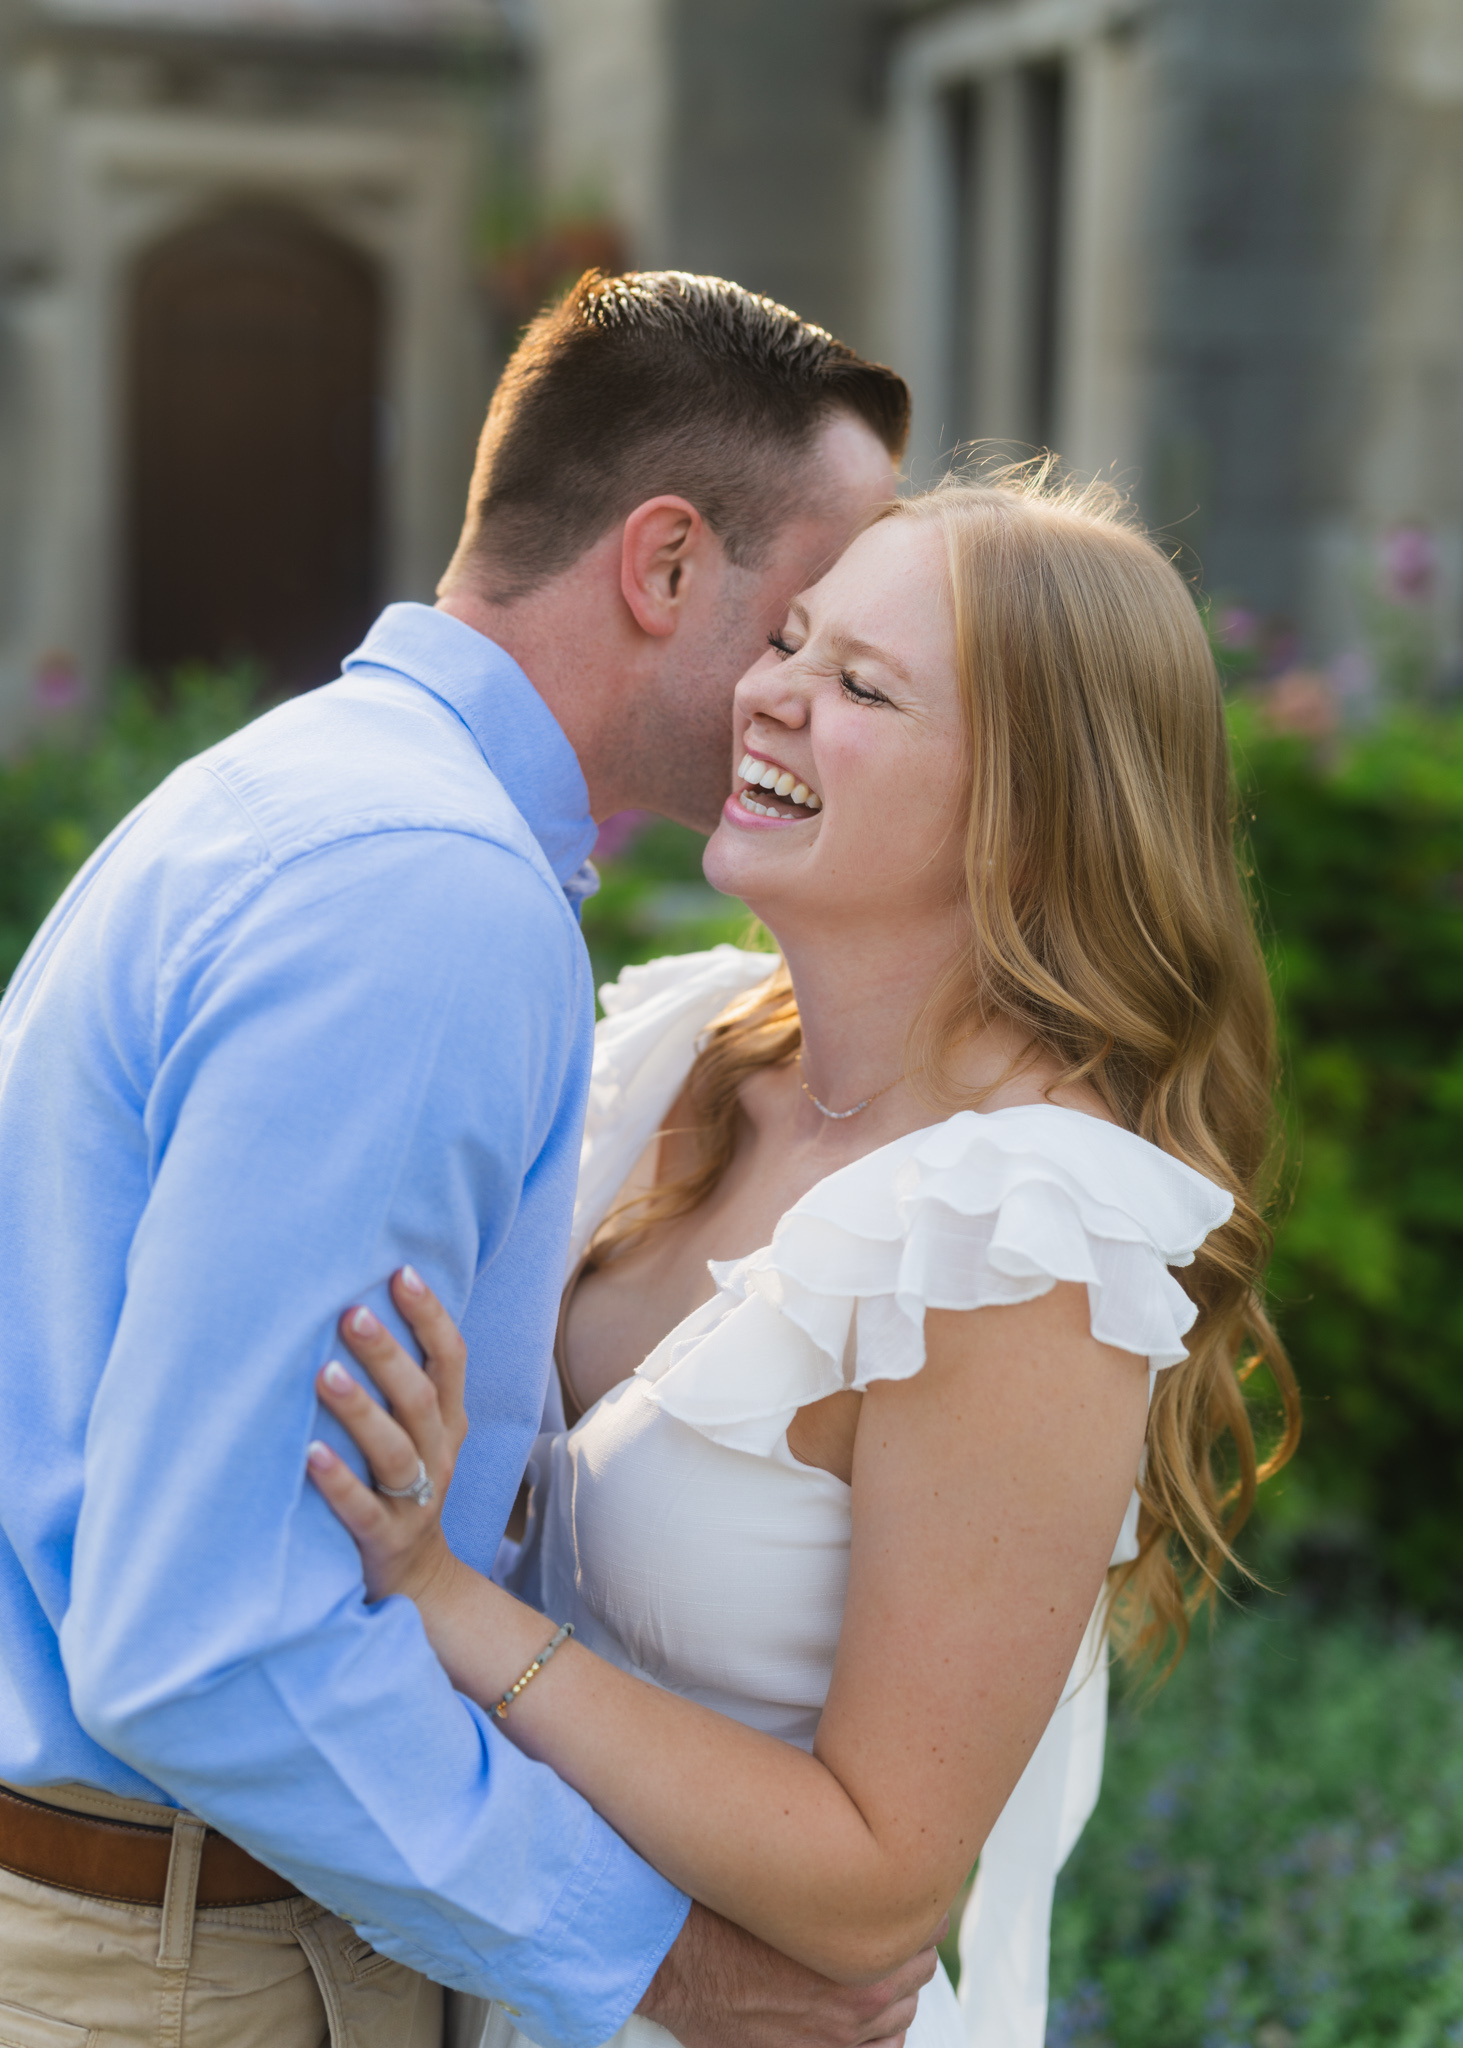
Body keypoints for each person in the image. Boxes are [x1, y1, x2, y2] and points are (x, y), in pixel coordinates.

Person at [0, 272, 933, 2048]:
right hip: (193, 1973)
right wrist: (675, 1964)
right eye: (810, 621)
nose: (816, 683)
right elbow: (209, 1639)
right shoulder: (422, 894)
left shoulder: (308, 797)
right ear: (665, 569)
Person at [305, 466, 1302, 2048]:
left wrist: (442, 1597)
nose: (765, 696)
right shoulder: (678, 1053)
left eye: (860, 685)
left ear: (1029, 812)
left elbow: (876, 1883)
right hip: (487, 1976)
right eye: (790, 641)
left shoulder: (1018, 1243)